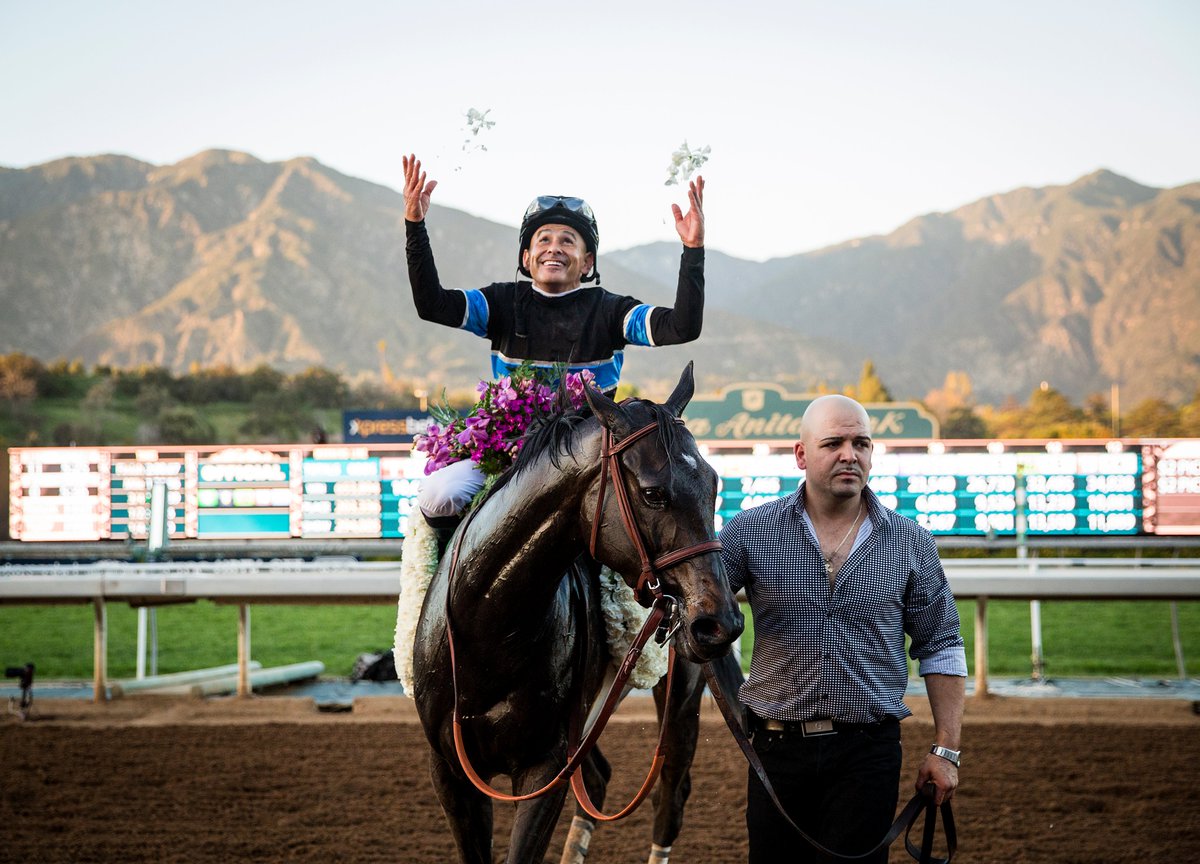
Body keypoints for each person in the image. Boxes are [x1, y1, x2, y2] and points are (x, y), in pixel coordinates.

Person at [718, 394, 966, 863]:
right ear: (801, 454)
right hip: (775, 750)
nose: (849, 454)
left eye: (861, 443)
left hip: (867, 752)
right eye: (833, 443)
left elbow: (942, 646)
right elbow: (699, 609)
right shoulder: (748, 532)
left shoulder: (910, 541)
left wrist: (946, 752)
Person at [401, 153, 707, 534]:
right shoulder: (499, 303)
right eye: (543, 239)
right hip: (512, 456)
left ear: (587, 261)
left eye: (568, 240)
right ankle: (444, 590)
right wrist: (415, 224)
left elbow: (681, 327)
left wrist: (692, 252)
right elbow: (432, 305)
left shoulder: (611, 310)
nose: (554, 247)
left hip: (590, 461)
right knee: (438, 493)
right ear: (526, 258)